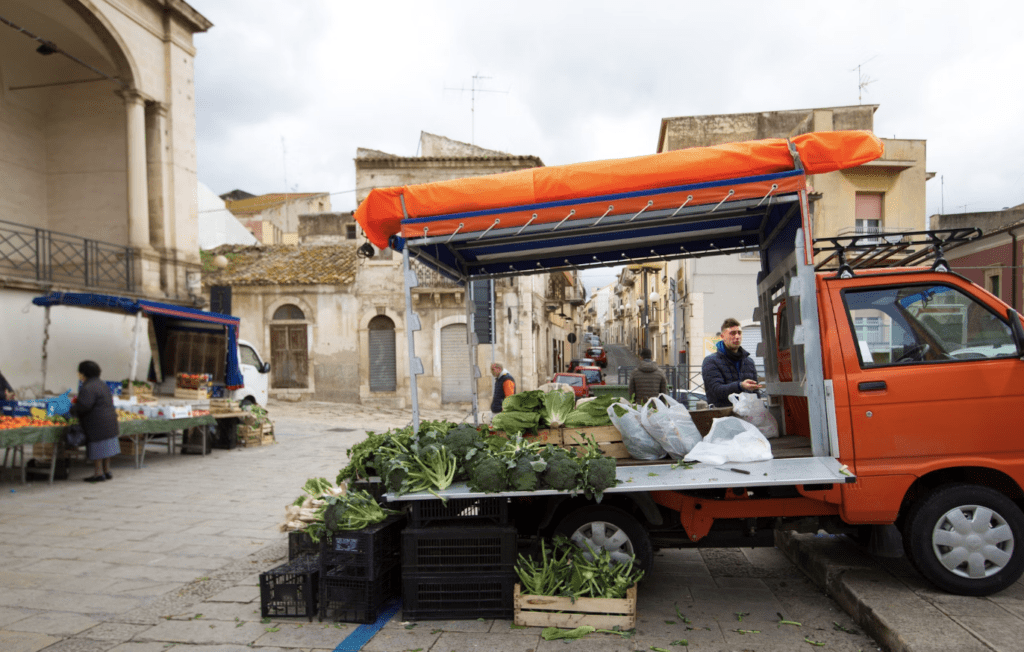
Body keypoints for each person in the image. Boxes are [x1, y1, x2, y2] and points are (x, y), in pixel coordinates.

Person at [70, 360, 119, 483]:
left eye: (79, 372)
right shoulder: (101, 384)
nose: (78, 374)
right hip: (109, 421)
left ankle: (98, 473)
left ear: (83, 373)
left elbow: (84, 406)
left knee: (97, 448)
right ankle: (107, 471)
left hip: (97, 423)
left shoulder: (88, 387)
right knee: (107, 448)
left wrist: (72, 410)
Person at [701, 318, 761, 408]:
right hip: (723, 414)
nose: (737, 336)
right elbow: (716, 391)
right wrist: (740, 385)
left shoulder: (749, 362)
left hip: (747, 415)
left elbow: (756, 392)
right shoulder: (711, 361)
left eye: (739, 333)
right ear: (722, 336)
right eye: (732, 333)